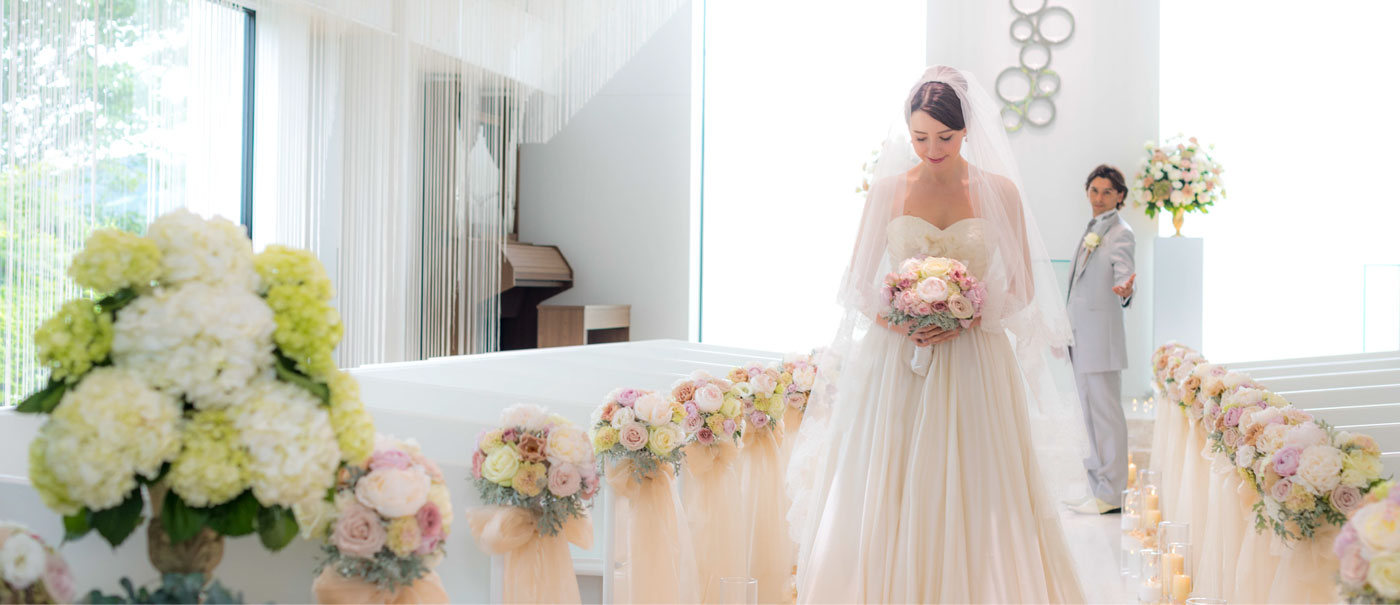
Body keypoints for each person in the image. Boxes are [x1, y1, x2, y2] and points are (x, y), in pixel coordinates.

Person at [785, 66, 1086, 603]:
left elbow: (1022, 289)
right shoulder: (887, 191)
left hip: (975, 358)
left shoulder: (1000, 192)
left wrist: (966, 315)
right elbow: (856, 287)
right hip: (897, 359)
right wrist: (904, 318)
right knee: (891, 479)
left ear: (967, 129)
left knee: (978, 484)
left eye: (945, 137)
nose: (932, 150)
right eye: (920, 138)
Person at [1063, 164, 1136, 515]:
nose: (1099, 198)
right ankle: (1098, 490)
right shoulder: (1093, 228)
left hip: (1101, 342)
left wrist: (1125, 289)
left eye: (1107, 192)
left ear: (1120, 195)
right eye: (1094, 190)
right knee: (1088, 417)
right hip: (1081, 338)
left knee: (1106, 417)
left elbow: (1124, 272)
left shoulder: (1121, 232)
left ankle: (1113, 491)